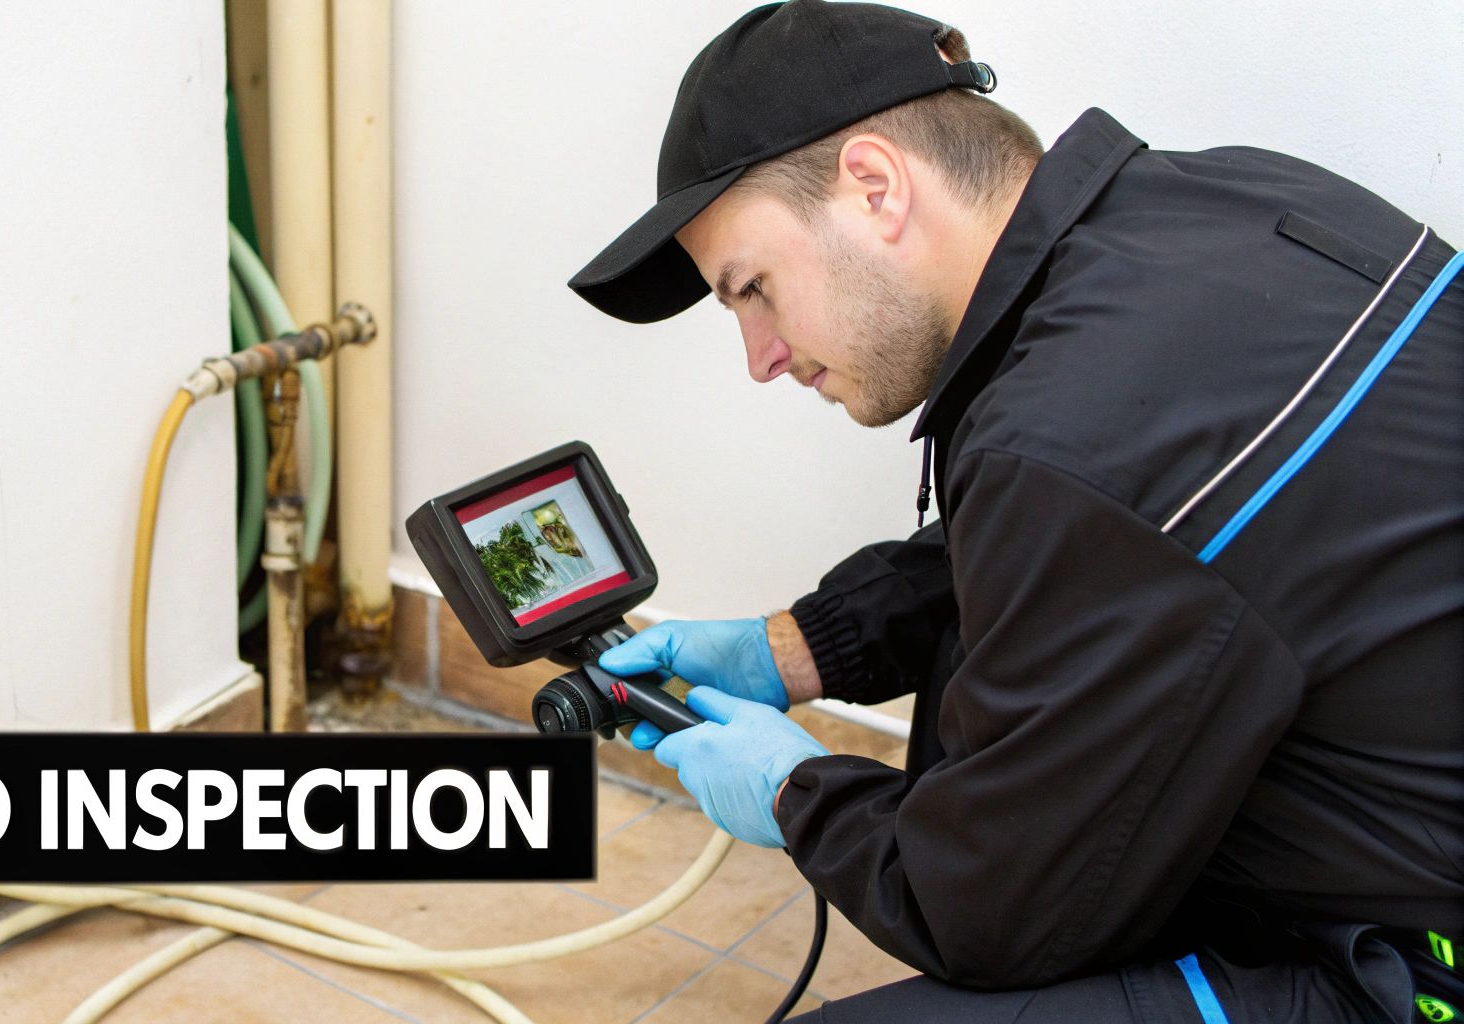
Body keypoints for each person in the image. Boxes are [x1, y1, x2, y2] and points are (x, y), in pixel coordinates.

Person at [565, 2, 1463, 1021]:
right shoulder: (1223, 204)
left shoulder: (1065, 445)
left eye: (753, 288)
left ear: (873, 185)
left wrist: (794, 791)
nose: (760, 357)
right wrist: (799, 647)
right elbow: (1101, 551)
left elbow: (981, 914)